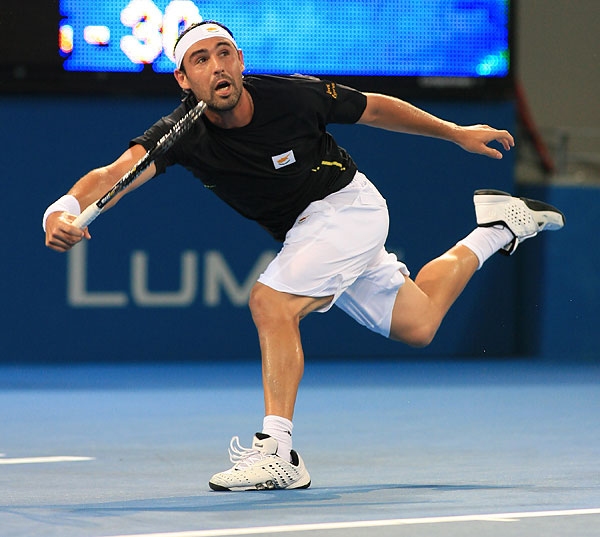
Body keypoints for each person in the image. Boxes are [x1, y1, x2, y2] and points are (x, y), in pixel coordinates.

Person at [43, 21, 564, 491]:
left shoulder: (291, 96)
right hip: (306, 232)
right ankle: (497, 228)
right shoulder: (181, 135)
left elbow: (375, 107)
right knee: (420, 322)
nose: (217, 66)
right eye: (200, 60)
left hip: (348, 207)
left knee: (271, 302)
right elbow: (114, 174)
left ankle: (278, 452)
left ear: (240, 61)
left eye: (224, 53)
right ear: (184, 79)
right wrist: (62, 210)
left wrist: (455, 133)